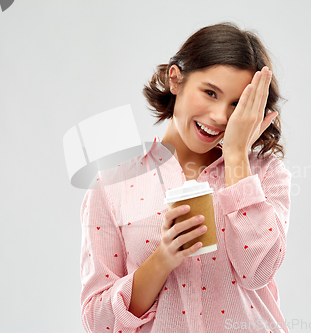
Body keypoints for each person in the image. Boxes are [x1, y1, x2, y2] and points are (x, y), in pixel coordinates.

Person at [79, 21, 292, 333]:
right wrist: (163, 259)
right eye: (210, 92)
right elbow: (99, 322)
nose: (220, 117)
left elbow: (258, 271)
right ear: (175, 79)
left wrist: (235, 157)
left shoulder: (265, 173)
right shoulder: (113, 184)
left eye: (236, 105)